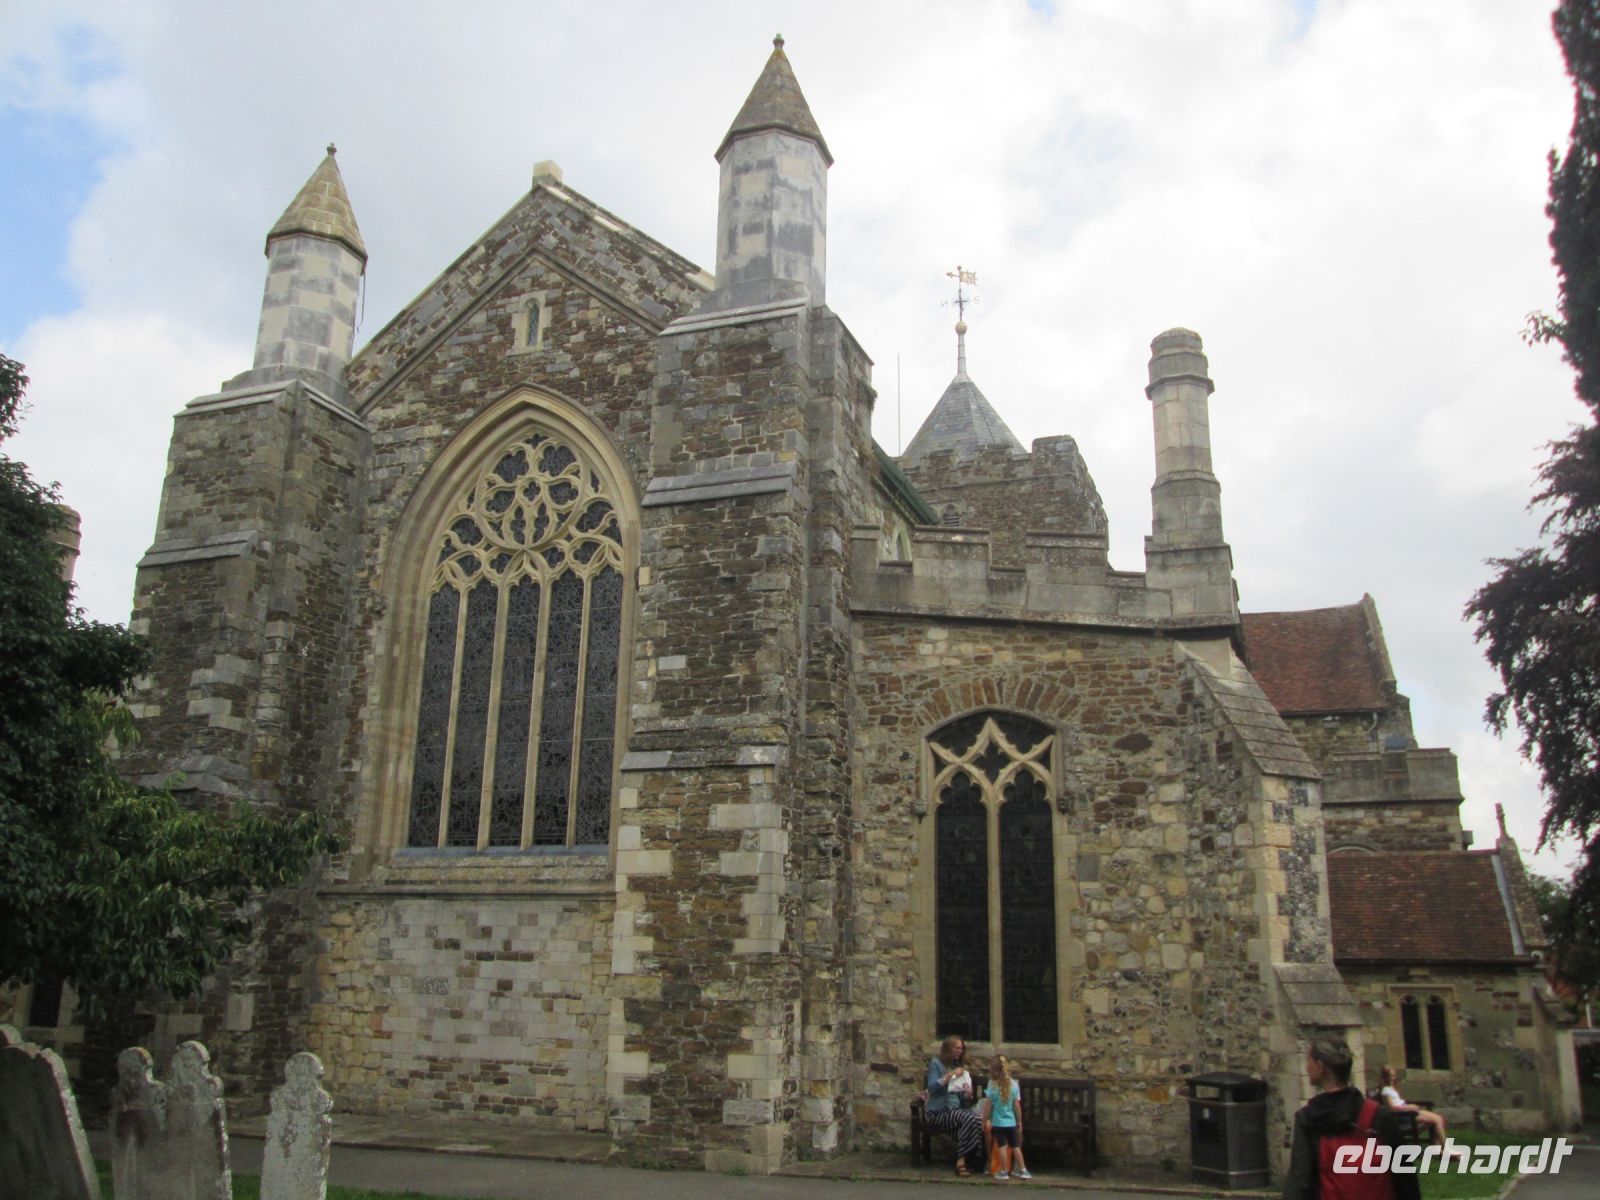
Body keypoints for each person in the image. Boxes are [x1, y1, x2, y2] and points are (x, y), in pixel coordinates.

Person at [1283, 1035, 1417, 1200]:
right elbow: (1405, 1176)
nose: (1306, 1066)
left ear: (1320, 1067)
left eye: (1308, 1061)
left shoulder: (1308, 1119)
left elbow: (1300, 1181)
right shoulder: (1378, 1115)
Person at [925, 1035, 984, 1176]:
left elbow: (959, 1096)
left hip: (957, 1111)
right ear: (948, 1049)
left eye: (962, 1049)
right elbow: (932, 1087)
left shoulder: (958, 1066)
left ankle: (972, 1159)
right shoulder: (936, 1064)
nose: (960, 1051)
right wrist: (949, 1076)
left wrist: (966, 1093)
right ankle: (961, 1162)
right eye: (957, 1048)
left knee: (977, 1119)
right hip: (939, 1112)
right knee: (968, 1119)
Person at [983, 1054, 1031, 1180]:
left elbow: (988, 1105)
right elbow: (1016, 1105)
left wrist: (985, 1120)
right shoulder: (1014, 1085)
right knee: (1016, 1147)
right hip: (1011, 1122)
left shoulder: (992, 1085)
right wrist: (1019, 1121)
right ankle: (1023, 1170)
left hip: (999, 1123)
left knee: (1002, 1147)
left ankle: (1004, 1171)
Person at [1375, 1066, 1449, 1147]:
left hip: (1407, 1112)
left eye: (1393, 1076)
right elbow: (1391, 1108)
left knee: (1438, 1119)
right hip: (1403, 1116)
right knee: (1437, 1120)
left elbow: (1398, 1102)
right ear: (1385, 1077)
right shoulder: (1385, 1091)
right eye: (1390, 1076)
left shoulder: (1391, 1088)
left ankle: (1437, 1148)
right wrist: (1409, 1107)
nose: (1392, 1078)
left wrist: (1410, 1106)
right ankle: (1445, 1147)